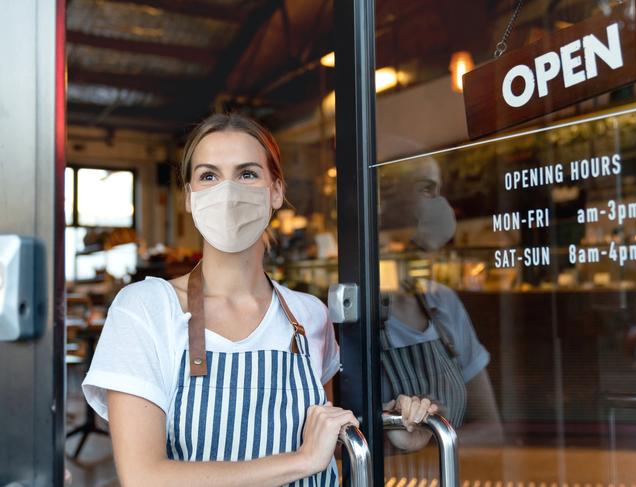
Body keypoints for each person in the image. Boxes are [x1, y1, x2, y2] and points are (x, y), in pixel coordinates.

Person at [81, 113, 435, 486]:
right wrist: (299, 462)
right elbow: (144, 477)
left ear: (276, 191)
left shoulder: (309, 315)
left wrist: (395, 427)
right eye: (209, 176)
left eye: (247, 173)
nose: (228, 191)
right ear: (189, 197)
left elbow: (324, 443)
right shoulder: (145, 309)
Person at [378, 154, 503, 453]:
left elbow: (491, 430)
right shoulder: (346, 315)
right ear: (386, 197)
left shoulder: (443, 301)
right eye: (426, 189)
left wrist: (433, 439)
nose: (439, 205)